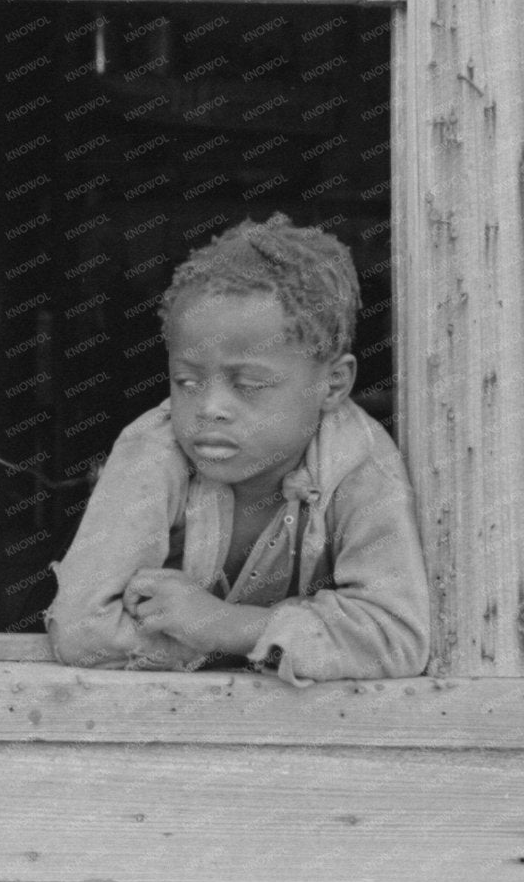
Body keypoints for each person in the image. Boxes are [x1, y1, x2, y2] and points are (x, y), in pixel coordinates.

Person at [43, 214, 429, 686]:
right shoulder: (153, 449)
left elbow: (395, 637)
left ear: (333, 384)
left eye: (248, 385)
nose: (209, 408)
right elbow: (81, 629)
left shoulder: (360, 465)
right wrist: (288, 647)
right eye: (186, 381)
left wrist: (223, 627)